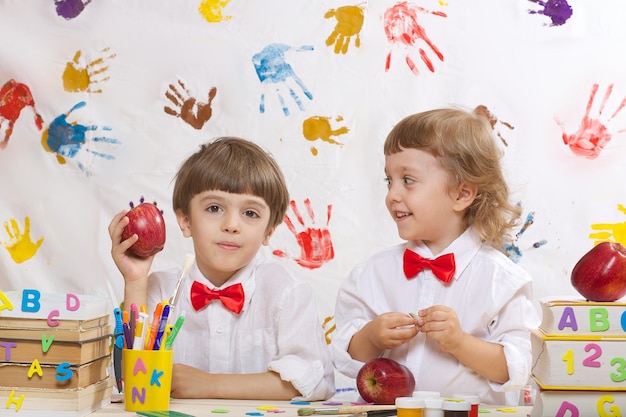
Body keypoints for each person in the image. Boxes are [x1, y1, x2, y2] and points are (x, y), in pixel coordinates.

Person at [331, 108, 540, 406]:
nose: (392, 195)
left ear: (461, 194)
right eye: (389, 181)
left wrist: (460, 342)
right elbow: (344, 358)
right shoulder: (371, 274)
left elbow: (518, 366)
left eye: (408, 180)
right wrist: (371, 337)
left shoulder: (502, 280)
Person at [108, 137, 335, 400]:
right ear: (185, 221)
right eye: (214, 208)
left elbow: (314, 380)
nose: (231, 224)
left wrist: (210, 385)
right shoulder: (159, 289)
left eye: (250, 213)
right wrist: (135, 281)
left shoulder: (287, 291)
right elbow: (128, 382)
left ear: (269, 231)